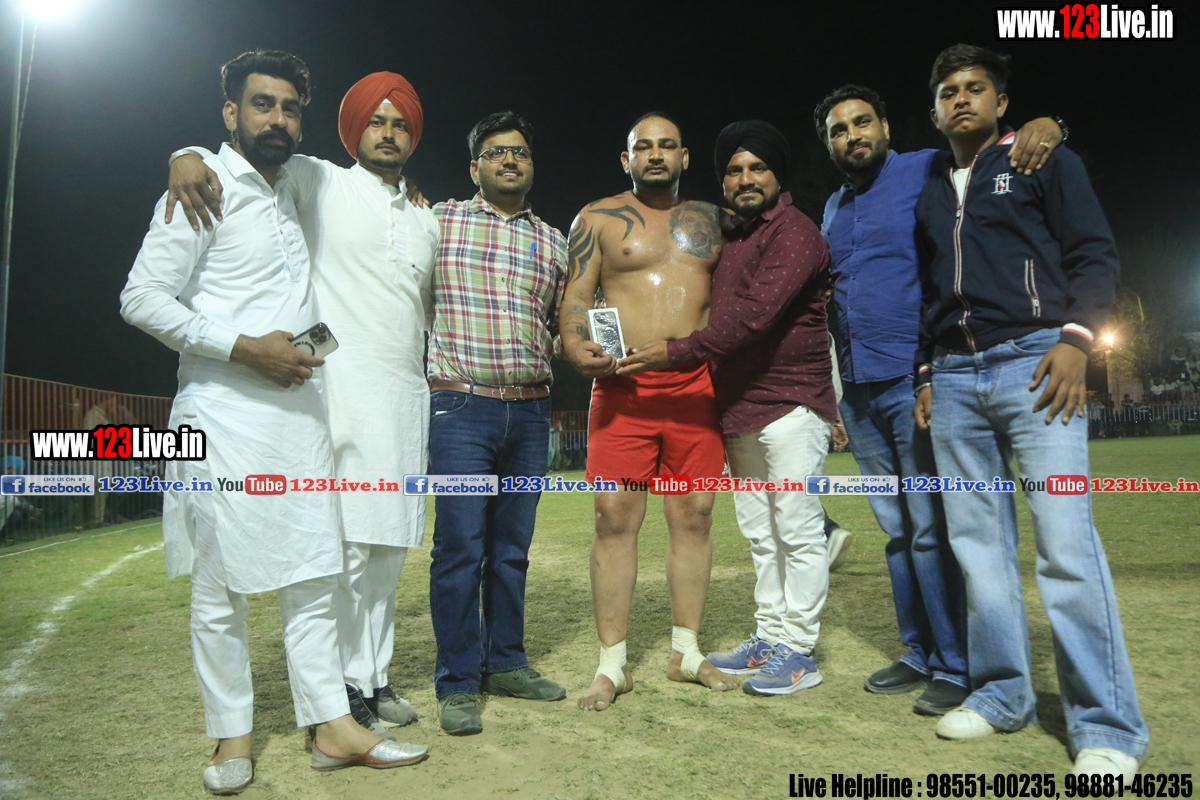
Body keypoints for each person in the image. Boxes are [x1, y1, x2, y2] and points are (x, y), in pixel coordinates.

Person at [119, 51, 427, 793]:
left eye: (290, 107)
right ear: (231, 113)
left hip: (299, 415)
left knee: (315, 572)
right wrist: (241, 348)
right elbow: (140, 297)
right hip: (220, 414)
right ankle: (231, 734)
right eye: (262, 104)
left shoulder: (297, 188)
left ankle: (333, 726)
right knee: (219, 587)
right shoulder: (203, 189)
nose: (277, 119)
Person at [912, 44, 1147, 777]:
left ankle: (1107, 727)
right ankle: (1001, 694)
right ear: (934, 111)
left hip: (1037, 364)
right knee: (978, 551)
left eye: (975, 88)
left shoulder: (1042, 159)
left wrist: (1078, 341)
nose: (961, 99)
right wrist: (926, 371)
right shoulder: (929, 187)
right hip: (954, 377)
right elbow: (930, 287)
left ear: (1001, 102)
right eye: (948, 91)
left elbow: (1093, 254)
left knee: (1066, 546)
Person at [815, 84, 1065, 714]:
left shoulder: (924, 168)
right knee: (898, 532)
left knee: (932, 528)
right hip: (859, 391)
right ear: (829, 144)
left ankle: (957, 663)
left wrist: (1048, 123)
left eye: (862, 123)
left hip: (915, 378)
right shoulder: (833, 207)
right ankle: (918, 651)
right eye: (839, 130)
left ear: (885, 125)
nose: (853, 136)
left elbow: (991, 154)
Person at [619, 120, 836, 697]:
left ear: (777, 175)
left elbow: (752, 318)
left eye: (757, 168)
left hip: (791, 404)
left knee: (798, 530)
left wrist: (673, 352)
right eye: (734, 170)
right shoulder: (731, 235)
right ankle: (769, 635)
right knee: (761, 533)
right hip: (739, 406)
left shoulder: (795, 233)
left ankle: (799, 650)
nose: (745, 179)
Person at [561, 112, 736, 711]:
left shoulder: (715, 220)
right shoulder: (597, 218)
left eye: (667, 146)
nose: (655, 154)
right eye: (643, 146)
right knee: (613, 517)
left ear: (685, 156)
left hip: (696, 388)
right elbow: (576, 297)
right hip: (622, 389)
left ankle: (686, 653)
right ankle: (612, 666)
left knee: (695, 516)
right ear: (626, 158)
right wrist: (575, 343)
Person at [426, 111, 569, 735]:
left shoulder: (554, 242)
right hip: (462, 408)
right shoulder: (438, 222)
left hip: (531, 410)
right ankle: (458, 682)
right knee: (459, 549)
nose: (510, 160)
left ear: (531, 166)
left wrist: (600, 343)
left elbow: (562, 328)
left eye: (520, 152)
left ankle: (505, 661)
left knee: (512, 550)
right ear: (474, 167)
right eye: (495, 152)